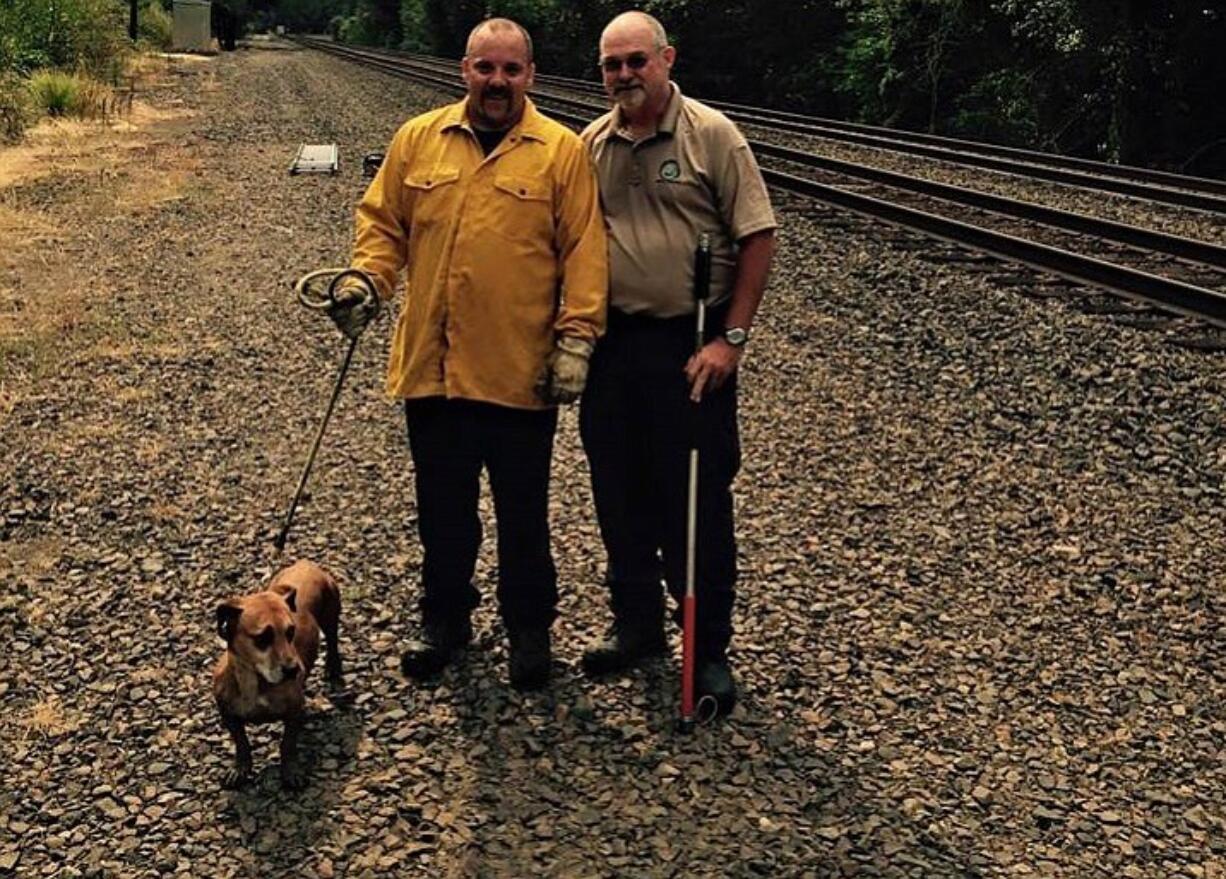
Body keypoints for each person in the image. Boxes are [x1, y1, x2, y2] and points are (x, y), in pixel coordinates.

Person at [327, 18, 608, 691]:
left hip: (519, 374)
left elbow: (585, 252)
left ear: (530, 77)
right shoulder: (417, 140)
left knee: (523, 513)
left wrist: (577, 338)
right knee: (443, 511)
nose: (498, 82)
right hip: (434, 369)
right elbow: (382, 228)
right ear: (465, 70)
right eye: (486, 68)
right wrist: (366, 281)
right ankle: (445, 619)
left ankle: (530, 628)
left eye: (511, 70)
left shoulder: (560, 152)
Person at [578, 11, 776, 716]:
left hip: (692, 345)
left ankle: (708, 645)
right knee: (618, 493)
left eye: (637, 61)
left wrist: (732, 340)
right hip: (614, 346)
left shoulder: (713, 137)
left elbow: (758, 236)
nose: (625, 75)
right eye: (612, 64)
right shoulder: (592, 144)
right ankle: (636, 628)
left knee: (695, 500)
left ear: (667, 58)